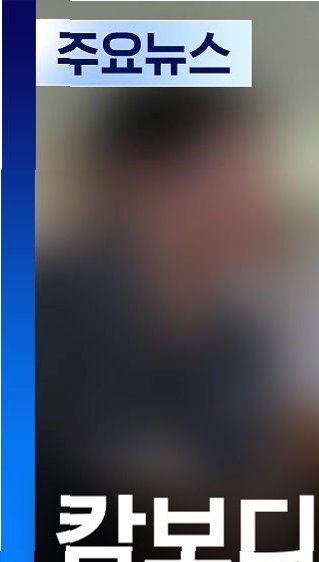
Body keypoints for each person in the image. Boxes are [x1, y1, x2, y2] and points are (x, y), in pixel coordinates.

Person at [37, 89, 282, 493]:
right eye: (224, 177)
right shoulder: (45, 311)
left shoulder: (236, 338)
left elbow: (244, 468)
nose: (253, 202)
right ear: (138, 180)